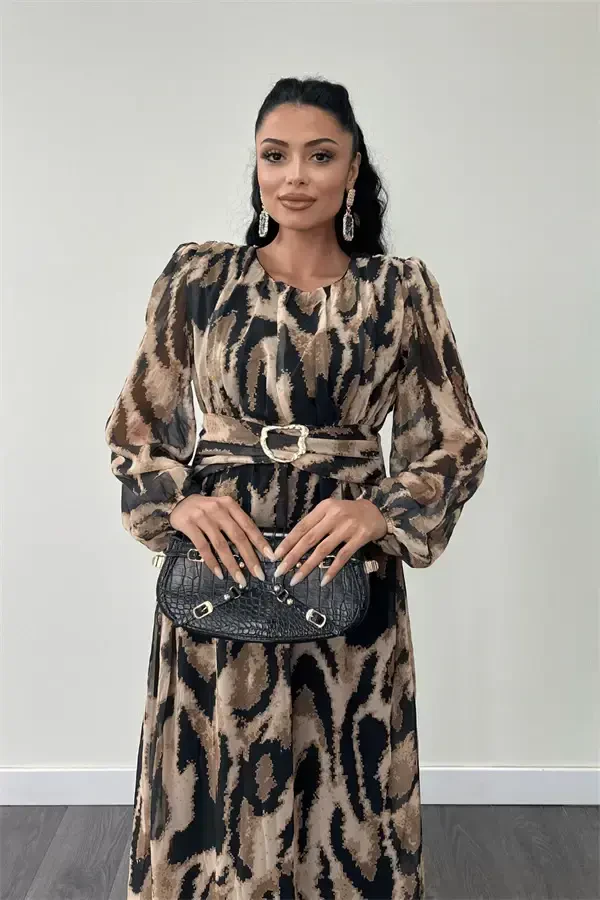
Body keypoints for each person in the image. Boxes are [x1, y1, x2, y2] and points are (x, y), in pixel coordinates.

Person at [104, 75, 488, 900]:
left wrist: (379, 510)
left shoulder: (399, 291)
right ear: (256, 166)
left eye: (320, 156)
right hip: (221, 565)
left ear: (353, 170)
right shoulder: (199, 278)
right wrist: (179, 501)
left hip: (345, 570)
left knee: (347, 788)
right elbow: (138, 426)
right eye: (274, 156)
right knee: (210, 775)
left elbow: (455, 440)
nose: (295, 177)